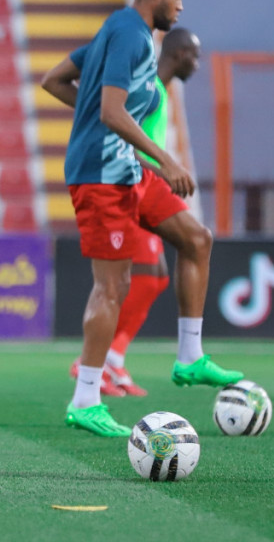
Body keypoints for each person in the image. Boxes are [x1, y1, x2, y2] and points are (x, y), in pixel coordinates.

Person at [42, 0, 242, 437]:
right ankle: (85, 400)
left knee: (196, 238)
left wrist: (92, 114)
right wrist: (166, 160)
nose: (180, 5)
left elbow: (55, 80)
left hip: (126, 171)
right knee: (112, 287)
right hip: (100, 177)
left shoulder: (119, 33)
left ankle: (189, 357)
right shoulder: (131, 35)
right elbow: (111, 111)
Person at [56, 27, 202, 397]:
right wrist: (161, 169)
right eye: (195, 56)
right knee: (128, 280)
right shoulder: (147, 88)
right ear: (180, 54)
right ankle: (97, 362)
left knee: (156, 276)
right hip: (131, 185)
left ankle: (113, 360)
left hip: (144, 184)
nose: (198, 65)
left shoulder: (159, 90)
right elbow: (125, 142)